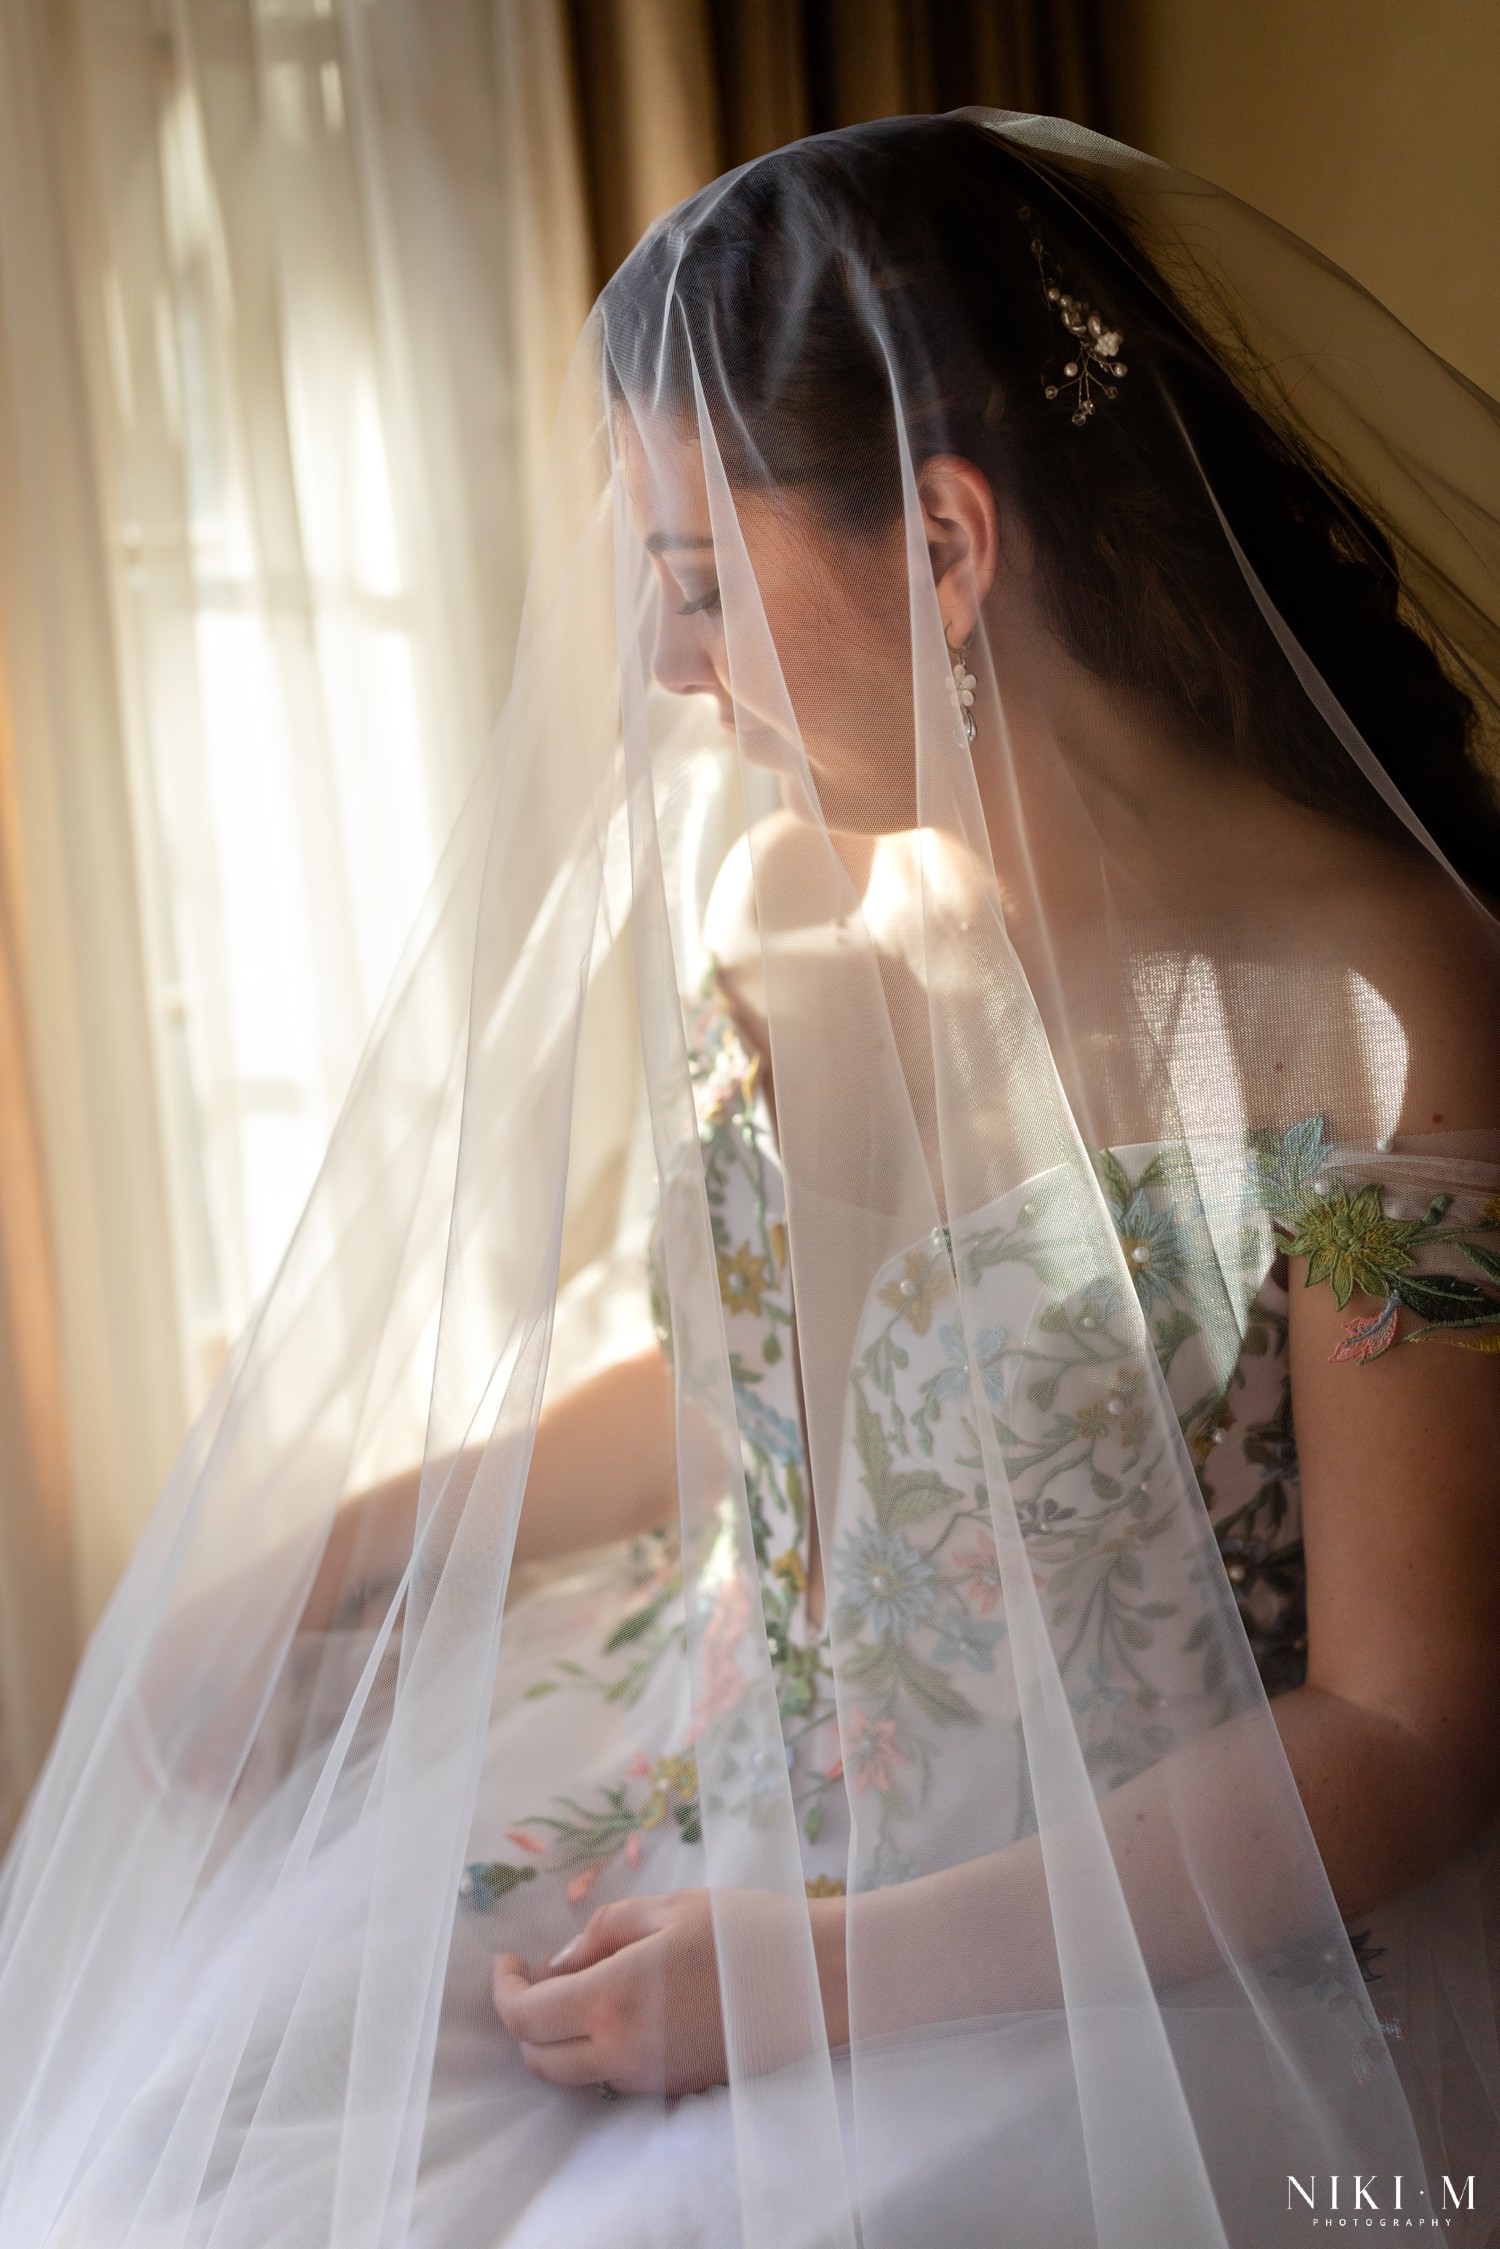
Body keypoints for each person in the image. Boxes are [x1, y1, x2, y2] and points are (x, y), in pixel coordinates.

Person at [2, 108, 1500, 2249]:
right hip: (713, 1786)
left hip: (1130, 1936)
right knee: (201, 2128)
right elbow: (751, 1404)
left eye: (701, 585)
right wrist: (331, 1558)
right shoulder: (783, 905)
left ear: (951, 544)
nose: (665, 666)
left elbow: (1408, 1730)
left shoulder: (1378, 1010)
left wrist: (806, 1978)